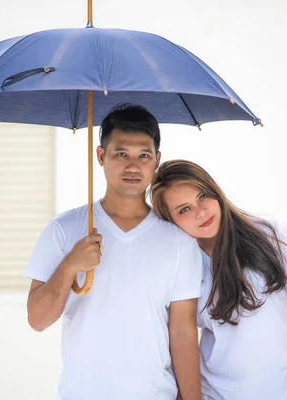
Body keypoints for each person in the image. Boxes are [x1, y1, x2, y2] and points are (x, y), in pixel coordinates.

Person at [24, 105, 203, 400]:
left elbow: (183, 332)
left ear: (156, 161)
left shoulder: (179, 241)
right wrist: (70, 265)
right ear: (100, 156)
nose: (133, 166)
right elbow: (37, 320)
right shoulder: (63, 230)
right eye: (121, 154)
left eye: (143, 155)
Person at [150, 160, 287, 400]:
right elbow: (181, 341)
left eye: (202, 196)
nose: (200, 212)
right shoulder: (180, 266)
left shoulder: (271, 235)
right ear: (170, 220)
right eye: (184, 209)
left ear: (214, 190)